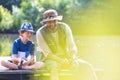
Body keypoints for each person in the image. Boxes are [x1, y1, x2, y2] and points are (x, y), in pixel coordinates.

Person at [36, 9, 98, 80]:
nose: (52, 24)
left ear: (57, 20)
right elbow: (48, 54)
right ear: (45, 23)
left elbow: (72, 47)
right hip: (50, 59)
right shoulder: (40, 33)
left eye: (54, 21)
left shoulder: (65, 27)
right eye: (49, 22)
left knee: (87, 66)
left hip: (66, 57)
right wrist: (61, 60)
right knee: (54, 69)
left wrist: (73, 58)